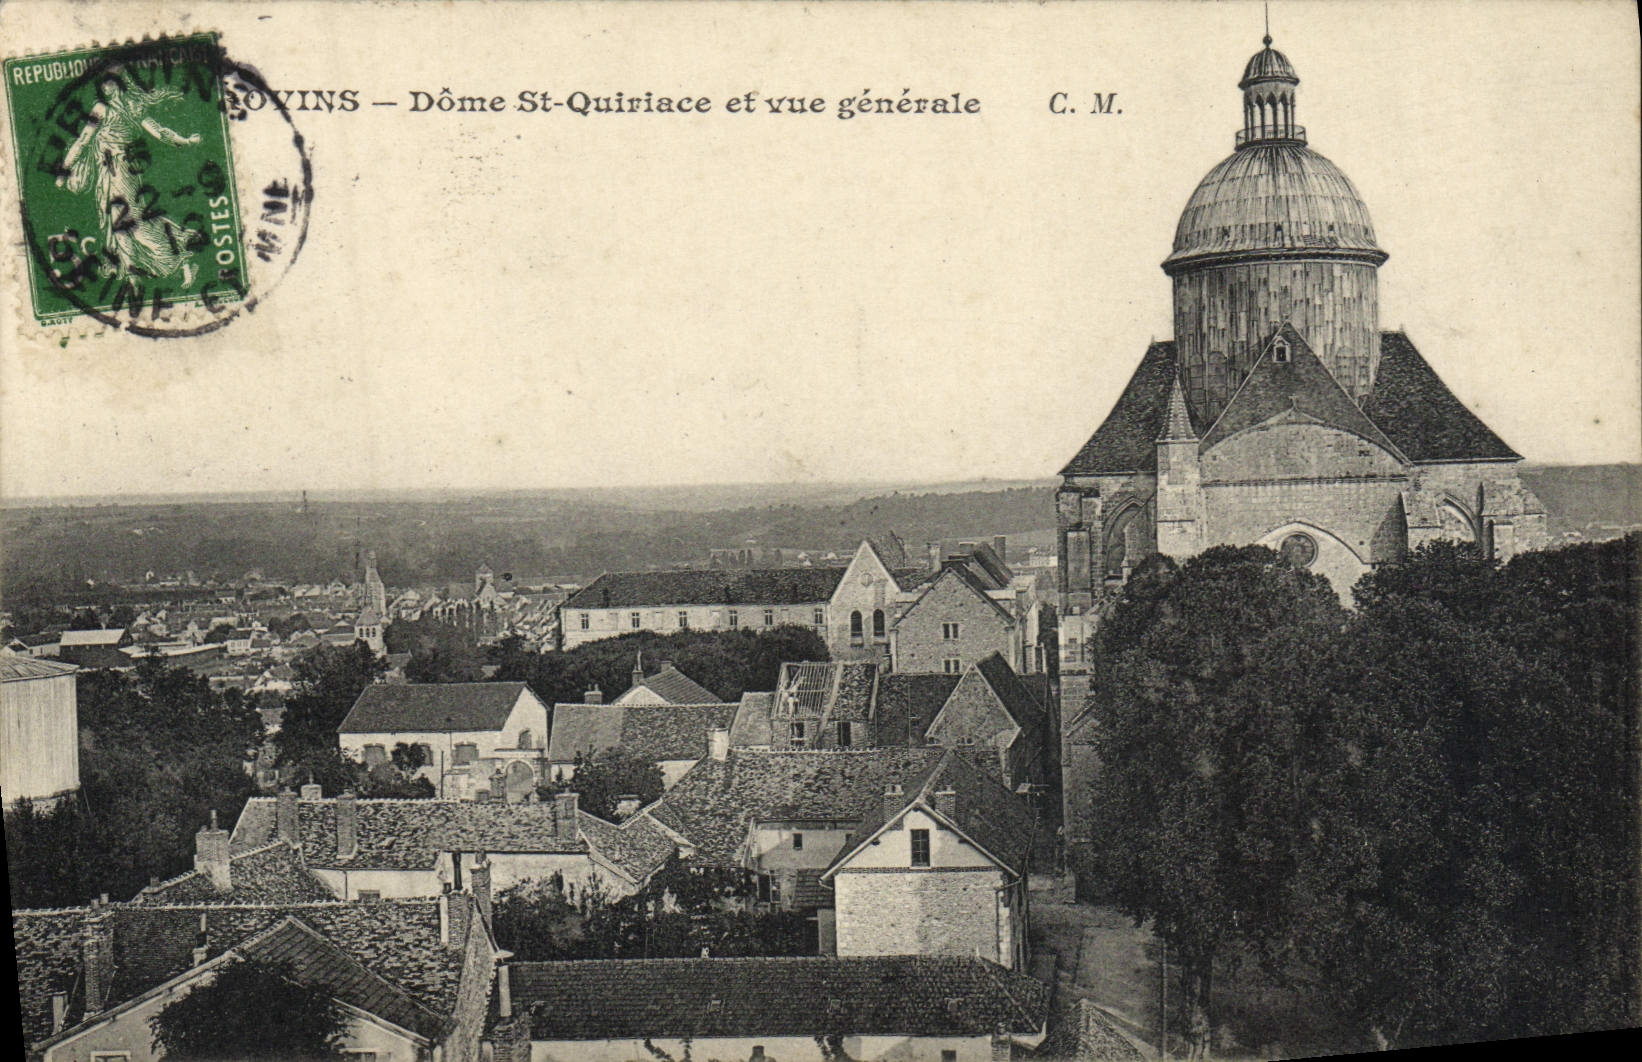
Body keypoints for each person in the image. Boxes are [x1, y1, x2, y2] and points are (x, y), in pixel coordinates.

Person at [57, 73, 205, 288]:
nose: (106, 88)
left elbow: (159, 132)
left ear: (117, 85)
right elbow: (83, 141)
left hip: (121, 173)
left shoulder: (124, 108)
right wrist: (64, 169)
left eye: (108, 83)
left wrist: (186, 140)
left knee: (135, 224)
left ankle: (180, 260)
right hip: (109, 174)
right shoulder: (114, 109)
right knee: (120, 223)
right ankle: (133, 274)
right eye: (103, 85)